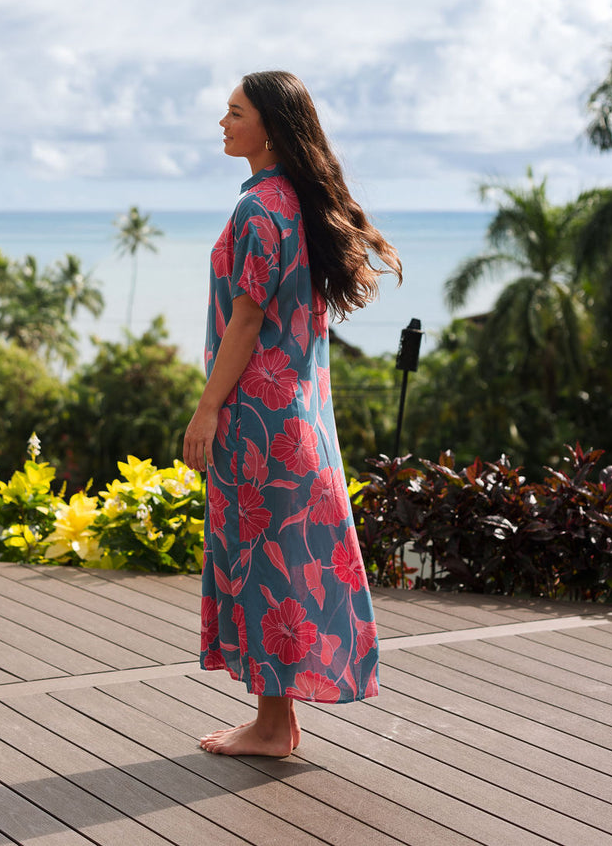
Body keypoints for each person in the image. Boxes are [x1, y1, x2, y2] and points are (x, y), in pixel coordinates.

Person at [183, 70, 402, 757]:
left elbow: (246, 321)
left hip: (256, 418)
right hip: (297, 415)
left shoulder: (260, 210)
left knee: (260, 562)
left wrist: (206, 409)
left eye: (235, 111)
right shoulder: (294, 204)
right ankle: (276, 721)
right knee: (277, 563)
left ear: (270, 129)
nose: (223, 121)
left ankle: (275, 726)